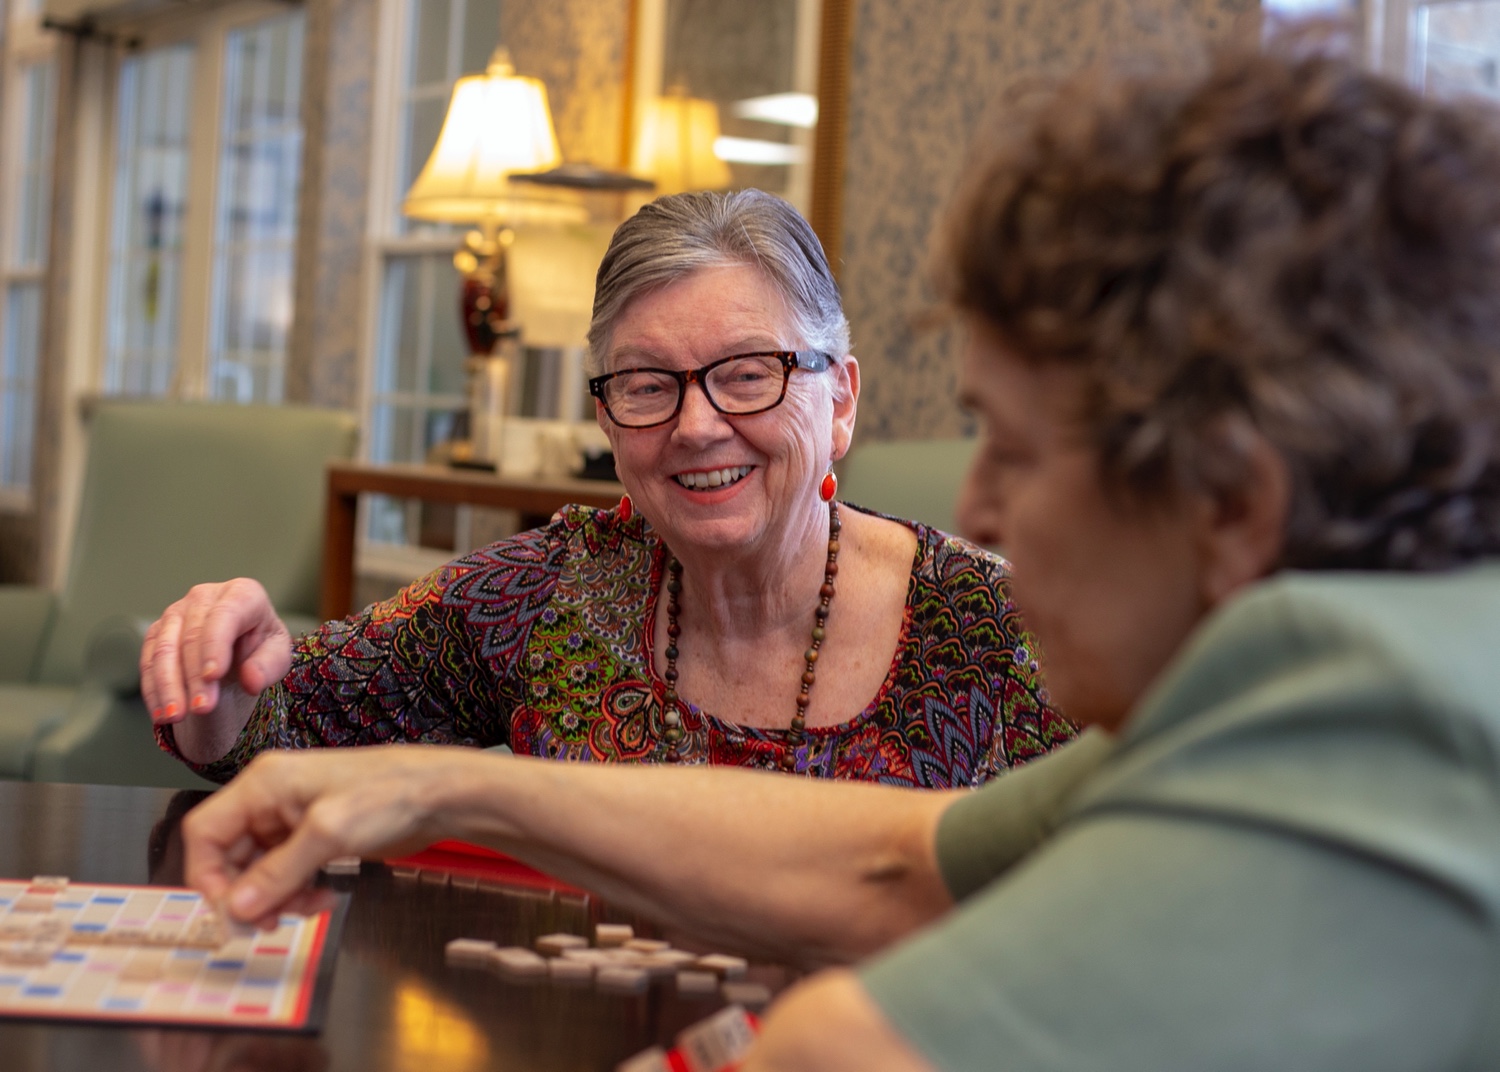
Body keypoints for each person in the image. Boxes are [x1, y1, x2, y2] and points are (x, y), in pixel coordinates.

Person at [179, 34, 1500, 1070]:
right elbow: (894, 866)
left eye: (1020, 446)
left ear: (1233, 504)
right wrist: (455, 788)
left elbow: (840, 1050)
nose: (976, 507)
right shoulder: (1294, 678)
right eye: (647, 386)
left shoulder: (1376, 714)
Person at [141, 189, 1071, 788]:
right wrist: (223, 675)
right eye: (646, 385)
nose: (697, 424)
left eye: (749, 372)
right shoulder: (547, 596)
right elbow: (283, 728)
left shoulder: (1001, 627)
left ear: (841, 400)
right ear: (606, 417)